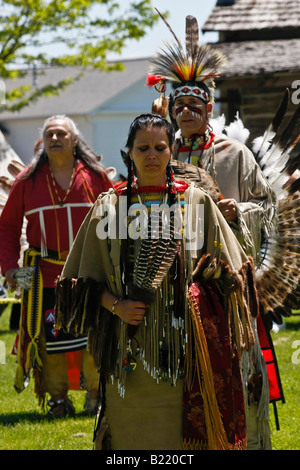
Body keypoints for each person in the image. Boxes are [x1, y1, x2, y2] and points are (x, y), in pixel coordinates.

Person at [56, 113, 261, 450]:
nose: (151, 154)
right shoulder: (109, 207)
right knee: (130, 434)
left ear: (171, 153)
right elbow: (80, 278)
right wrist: (116, 306)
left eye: (160, 147)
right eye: (143, 147)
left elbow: (233, 271)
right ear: (130, 152)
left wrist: (202, 291)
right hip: (126, 341)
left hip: (187, 344)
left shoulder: (195, 202)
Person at [0, 114, 112, 417]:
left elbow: (114, 222)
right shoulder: (26, 181)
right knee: (46, 337)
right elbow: (8, 227)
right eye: (49, 134)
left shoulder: (95, 177)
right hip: (42, 272)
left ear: (74, 140)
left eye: (61, 133)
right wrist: (9, 267)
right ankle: (58, 399)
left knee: (92, 334)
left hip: (88, 271)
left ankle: (95, 395)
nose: (55, 139)